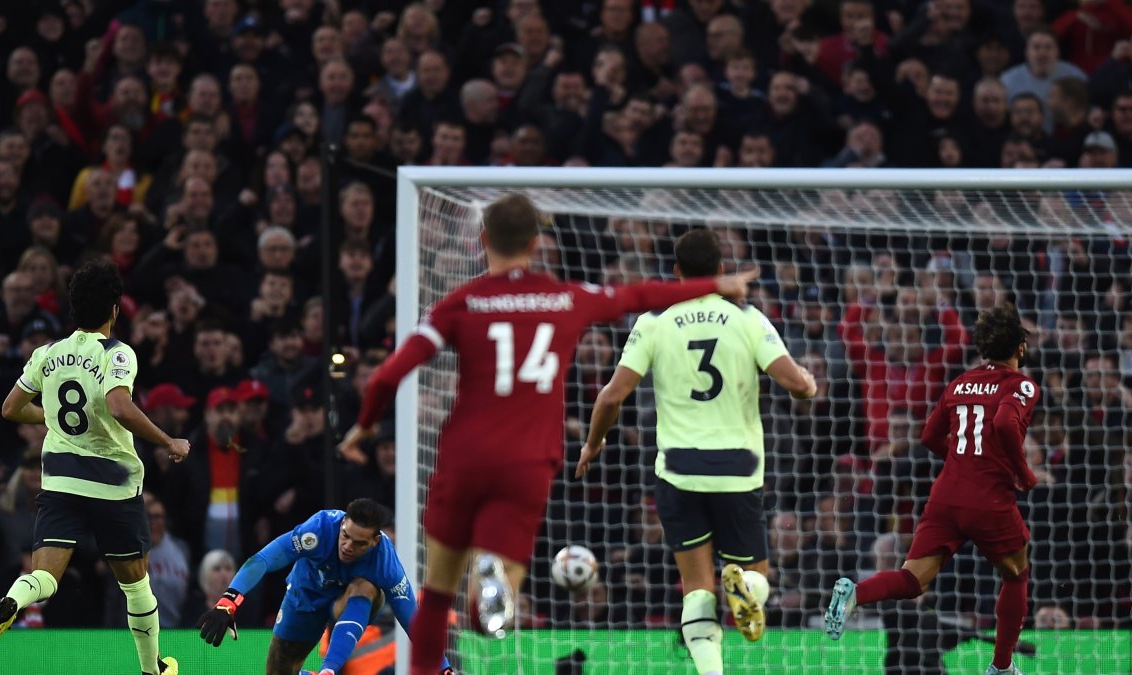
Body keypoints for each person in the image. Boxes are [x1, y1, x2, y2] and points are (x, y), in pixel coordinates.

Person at [338, 193, 759, 675]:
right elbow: (639, 295)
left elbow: (386, 377)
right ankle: (489, 592)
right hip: (529, 461)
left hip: (465, 456)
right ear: (536, 244)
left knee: (435, 594)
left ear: (483, 240)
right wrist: (715, 284)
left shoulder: (459, 303)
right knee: (493, 600)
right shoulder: (566, 297)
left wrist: (365, 425)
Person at [575, 228, 816, 675]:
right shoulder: (747, 318)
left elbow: (611, 397)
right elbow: (795, 383)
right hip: (738, 469)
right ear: (721, 269)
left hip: (679, 470)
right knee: (756, 576)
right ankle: (748, 590)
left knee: (697, 588)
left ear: (677, 272)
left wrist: (593, 443)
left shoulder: (654, 321)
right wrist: (809, 385)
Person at [0, 260, 190, 675]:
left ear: (72, 309)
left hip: (61, 479)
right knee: (136, 585)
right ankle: (153, 669)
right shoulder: (116, 353)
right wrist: (168, 441)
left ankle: (14, 600)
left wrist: (50, 415)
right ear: (115, 310)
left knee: (45, 576)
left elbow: (10, 408)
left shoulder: (47, 354)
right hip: (113, 483)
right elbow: (119, 406)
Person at [825, 304, 1040, 675]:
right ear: (1020, 347)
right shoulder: (1022, 384)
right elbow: (1006, 421)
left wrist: (959, 460)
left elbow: (928, 436)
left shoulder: (960, 383)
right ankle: (1002, 667)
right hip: (988, 498)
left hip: (946, 494)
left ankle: (856, 592)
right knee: (1016, 574)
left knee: (913, 579)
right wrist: (1024, 473)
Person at [195, 498, 453, 675]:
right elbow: (264, 559)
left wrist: (443, 667)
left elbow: (411, 617)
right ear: (343, 524)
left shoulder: (386, 561)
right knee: (280, 670)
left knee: (365, 587)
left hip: (352, 603)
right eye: (345, 536)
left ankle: (329, 670)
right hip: (307, 596)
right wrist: (228, 601)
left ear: (375, 541)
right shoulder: (319, 529)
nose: (348, 546)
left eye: (359, 543)